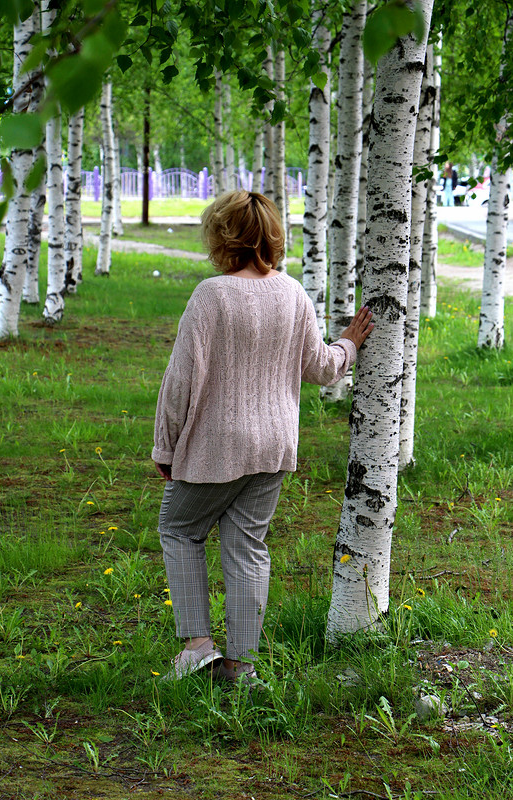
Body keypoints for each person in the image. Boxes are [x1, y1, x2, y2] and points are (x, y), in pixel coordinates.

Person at [152, 190, 374, 683]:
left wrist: (165, 447)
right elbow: (320, 367)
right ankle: (242, 667)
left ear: (222, 235)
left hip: (216, 445)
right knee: (248, 545)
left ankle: (198, 645)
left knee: (179, 529)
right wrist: (350, 345)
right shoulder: (293, 293)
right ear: (272, 235)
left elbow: (180, 379)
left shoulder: (212, 295)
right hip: (274, 445)